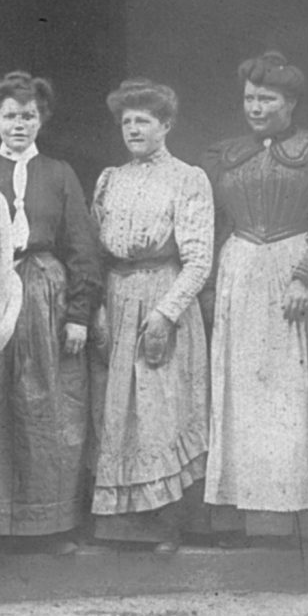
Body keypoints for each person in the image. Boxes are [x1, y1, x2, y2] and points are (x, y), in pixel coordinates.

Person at [201, 51, 308, 545]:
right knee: (240, 391)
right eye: (249, 98)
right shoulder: (227, 154)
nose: (256, 107)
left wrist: (305, 276)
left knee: (288, 393)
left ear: (291, 102)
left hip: (291, 268)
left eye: (267, 98)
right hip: (238, 272)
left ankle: (292, 513)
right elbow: (216, 225)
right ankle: (239, 515)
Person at [0, 72, 103, 553]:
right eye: (9, 115)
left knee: (47, 406)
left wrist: (79, 314)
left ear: (41, 120)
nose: (18, 124)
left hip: (47, 294)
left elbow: (82, 245)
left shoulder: (60, 174)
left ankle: (53, 525)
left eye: (28, 115)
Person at [89, 79, 213, 556]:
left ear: (166, 125)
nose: (134, 129)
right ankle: (122, 525)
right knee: (116, 410)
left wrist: (165, 315)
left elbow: (199, 260)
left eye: (144, 120)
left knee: (162, 411)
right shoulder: (110, 179)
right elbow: (95, 252)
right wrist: (98, 307)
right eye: (127, 122)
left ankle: (169, 521)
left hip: (164, 297)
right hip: (116, 297)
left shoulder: (187, 178)